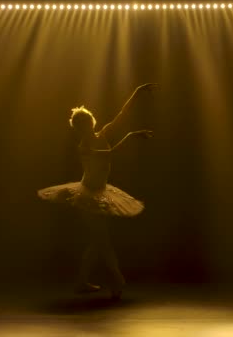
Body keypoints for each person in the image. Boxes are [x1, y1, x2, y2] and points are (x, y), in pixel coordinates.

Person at [37, 83, 158, 300]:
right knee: (102, 240)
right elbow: (106, 153)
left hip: (100, 191)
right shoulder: (84, 145)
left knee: (97, 241)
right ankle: (117, 279)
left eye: (86, 120)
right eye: (82, 122)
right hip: (87, 195)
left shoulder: (101, 133)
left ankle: (82, 281)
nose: (87, 123)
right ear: (80, 126)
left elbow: (121, 114)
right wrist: (131, 136)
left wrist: (137, 92)